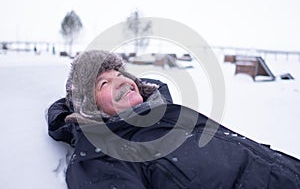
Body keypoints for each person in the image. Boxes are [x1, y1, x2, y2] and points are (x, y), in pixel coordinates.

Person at [47, 50, 300, 189]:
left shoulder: (163, 114)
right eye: (104, 82)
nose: (122, 80)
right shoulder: (102, 157)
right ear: (90, 107)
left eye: (119, 73)